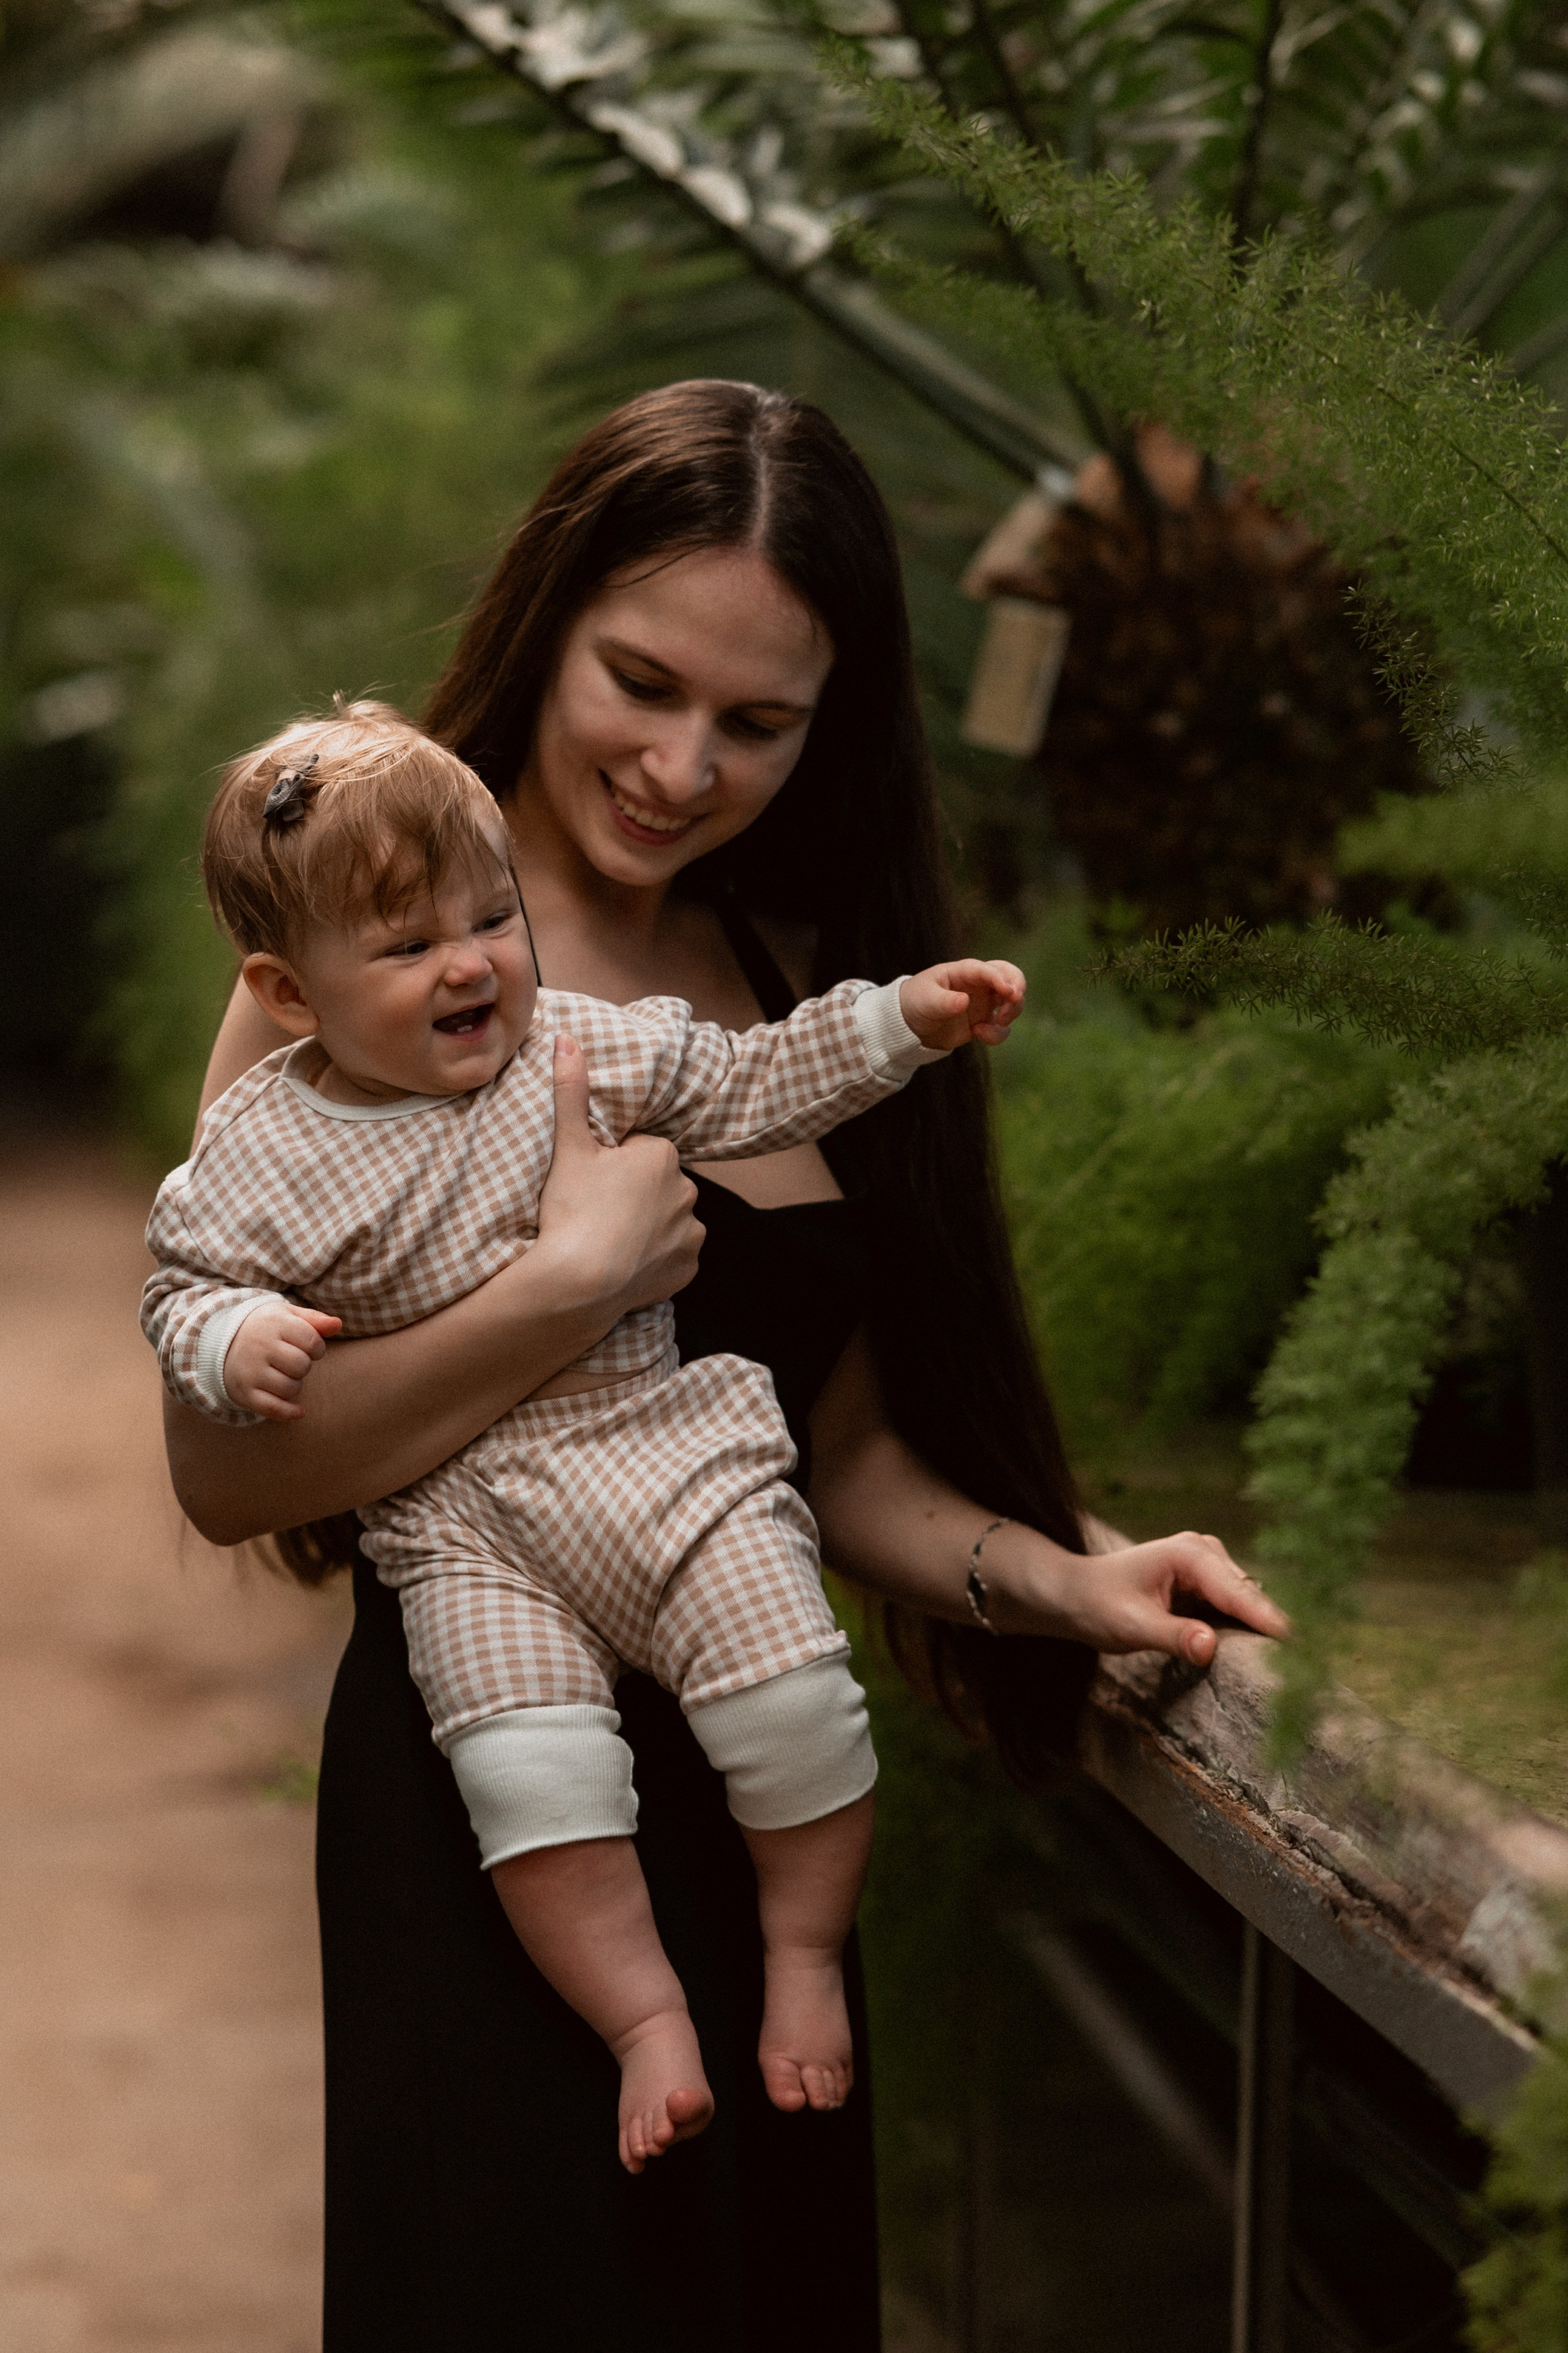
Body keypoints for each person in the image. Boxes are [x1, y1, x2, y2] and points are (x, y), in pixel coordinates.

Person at [164, 378, 1286, 2352]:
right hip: (487, 1796)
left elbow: (840, 1460)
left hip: (771, 1805)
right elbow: (232, 1473)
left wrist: (1066, 1578)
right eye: (641, 681)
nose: (684, 764)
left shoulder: (801, 980)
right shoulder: (349, 970)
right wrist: (560, 1290)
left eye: (758, 722)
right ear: (548, 626)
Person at [144, 699, 1027, 2171]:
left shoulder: (578, 1047)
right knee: (531, 1786)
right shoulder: (264, 1143)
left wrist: (899, 1022)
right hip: (467, 1528)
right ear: (289, 995)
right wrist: (239, 1340)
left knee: (796, 1704)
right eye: (410, 943)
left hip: (659, 1452)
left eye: (493, 915)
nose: (472, 960)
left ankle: (798, 1952)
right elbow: (182, 1285)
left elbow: (753, 1077)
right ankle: (643, 2021)